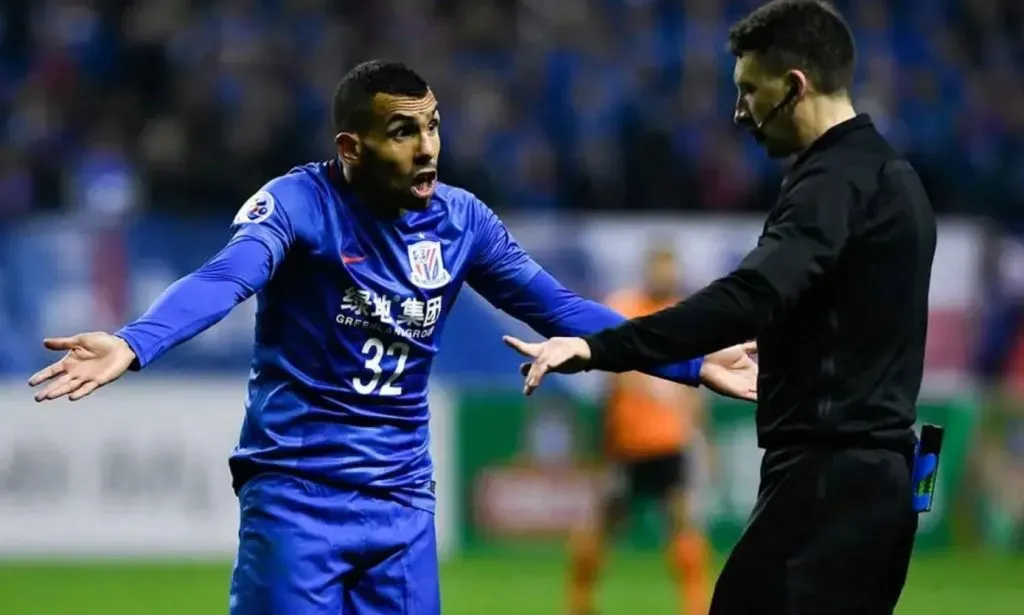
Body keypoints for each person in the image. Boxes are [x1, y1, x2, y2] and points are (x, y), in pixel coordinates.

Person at [27, 60, 759, 615]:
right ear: (352, 147)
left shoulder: (463, 222)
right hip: (298, 498)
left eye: (433, 126)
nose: (427, 147)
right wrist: (136, 340)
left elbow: (561, 307)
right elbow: (226, 277)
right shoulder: (298, 204)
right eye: (404, 131)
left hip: (403, 505)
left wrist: (692, 358)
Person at [504, 1, 937, 613]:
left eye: (749, 90)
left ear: (795, 86)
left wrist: (602, 348)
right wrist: (794, 339)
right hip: (884, 478)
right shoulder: (895, 178)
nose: (739, 111)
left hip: (828, 483)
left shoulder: (831, 183)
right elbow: (856, 315)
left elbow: (747, 296)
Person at [567, 244, 712, 615]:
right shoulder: (624, 308)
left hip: (670, 440)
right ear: (648, 270)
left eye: (670, 269)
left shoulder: (684, 315)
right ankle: (579, 602)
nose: (665, 276)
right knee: (603, 524)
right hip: (627, 442)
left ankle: (695, 606)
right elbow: (612, 373)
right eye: (660, 268)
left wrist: (702, 435)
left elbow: (696, 385)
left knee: (683, 523)